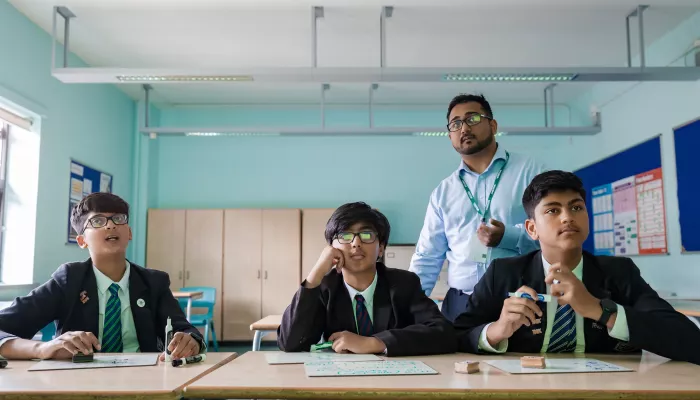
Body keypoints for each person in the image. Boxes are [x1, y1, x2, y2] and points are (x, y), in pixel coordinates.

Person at [453, 170, 700, 365]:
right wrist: (496, 331)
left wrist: (601, 311)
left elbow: (689, 340)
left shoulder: (619, 272)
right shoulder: (502, 273)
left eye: (576, 207)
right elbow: (458, 336)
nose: (567, 217)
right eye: (553, 210)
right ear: (531, 229)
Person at [0, 193, 204, 360]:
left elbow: (185, 329)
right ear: (81, 240)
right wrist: (43, 348)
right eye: (97, 221)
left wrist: (191, 340)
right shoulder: (69, 280)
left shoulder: (154, 282)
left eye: (118, 219)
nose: (110, 225)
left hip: (146, 383)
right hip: (79, 385)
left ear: (129, 233)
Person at [410, 93, 546, 322]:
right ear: (450, 134)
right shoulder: (443, 192)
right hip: (460, 303)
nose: (464, 128)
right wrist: (408, 306)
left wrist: (508, 237)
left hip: (520, 301)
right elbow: (427, 256)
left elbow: (554, 236)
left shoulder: (532, 172)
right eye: (456, 123)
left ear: (493, 125)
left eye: (472, 119)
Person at [277, 202, 457, 356]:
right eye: (345, 236)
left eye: (366, 235)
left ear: (381, 248)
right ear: (331, 248)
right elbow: (290, 343)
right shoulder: (324, 287)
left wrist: (374, 343)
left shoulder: (403, 283)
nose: (356, 243)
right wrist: (315, 274)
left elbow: (443, 333)